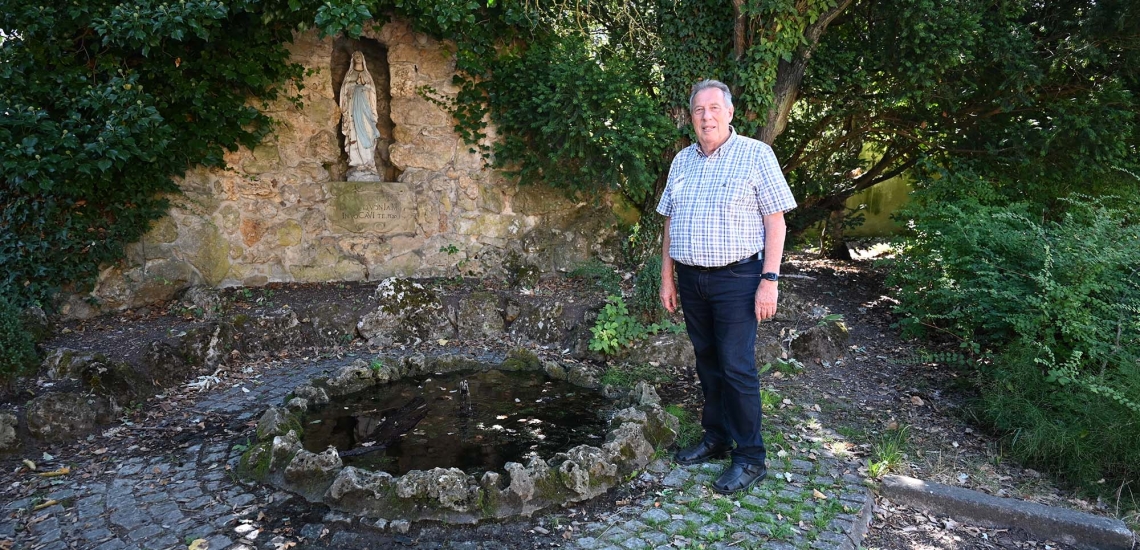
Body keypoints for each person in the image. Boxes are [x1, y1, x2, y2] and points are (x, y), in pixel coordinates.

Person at [657, 79, 797, 495]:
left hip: (738, 278)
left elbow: (776, 221)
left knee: (737, 366)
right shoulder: (682, 161)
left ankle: (751, 457)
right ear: (691, 117)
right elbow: (668, 221)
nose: (707, 116)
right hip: (691, 278)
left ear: (730, 112)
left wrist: (769, 281)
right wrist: (667, 276)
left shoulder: (756, 155)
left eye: (714, 108)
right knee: (707, 361)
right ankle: (716, 438)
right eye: (699, 110)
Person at [340, 51, 382, 181]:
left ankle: (368, 162)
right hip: (353, 109)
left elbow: (372, 93)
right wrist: (355, 85)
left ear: (363, 59)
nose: (358, 58)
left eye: (360, 56)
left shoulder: (366, 75)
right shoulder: (350, 75)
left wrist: (364, 86)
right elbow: (344, 91)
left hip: (365, 110)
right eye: (355, 56)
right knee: (355, 133)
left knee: (368, 132)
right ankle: (357, 162)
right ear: (352, 60)